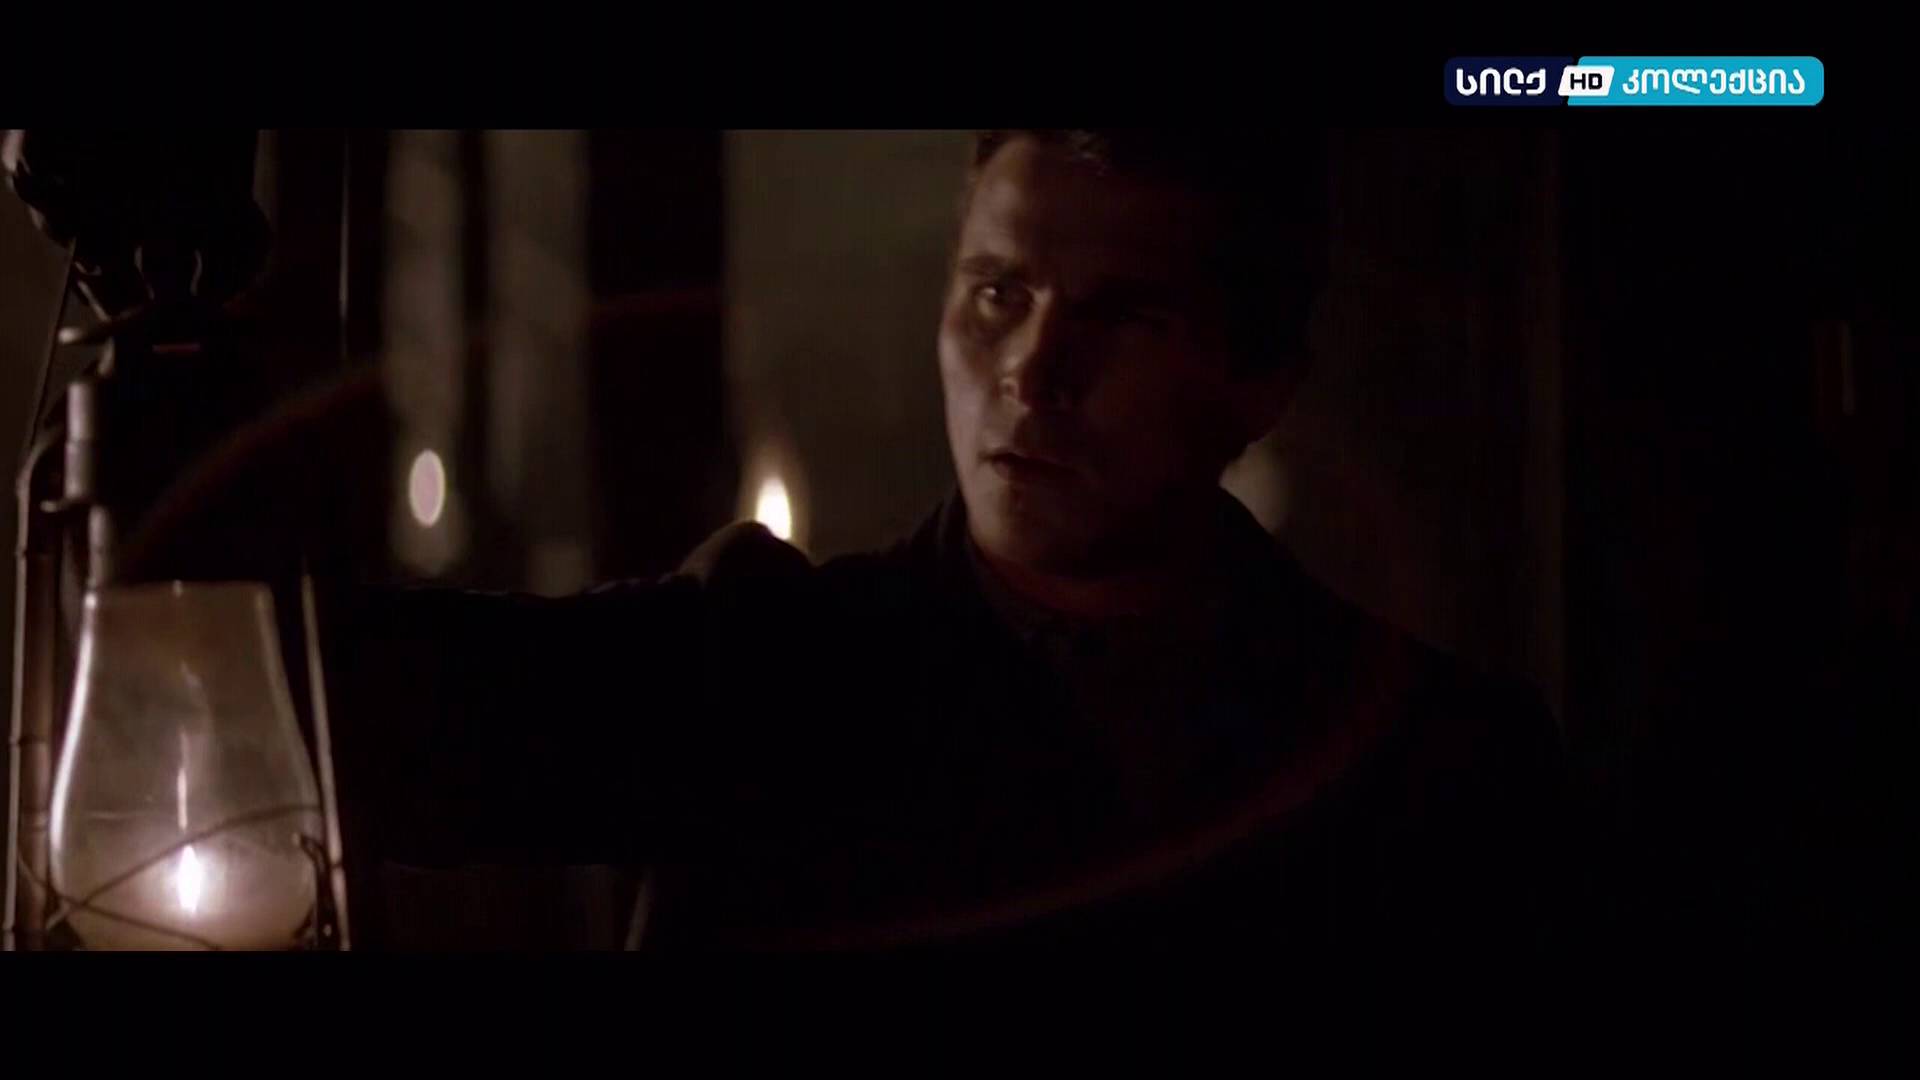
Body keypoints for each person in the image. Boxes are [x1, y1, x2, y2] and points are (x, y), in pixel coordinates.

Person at [315, 128, 1569, 957]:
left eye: (1125, 319)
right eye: (997, 296)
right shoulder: (771, 672)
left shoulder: (1439, 768)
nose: (1033, 372)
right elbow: (361, 708)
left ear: (1259, 385)